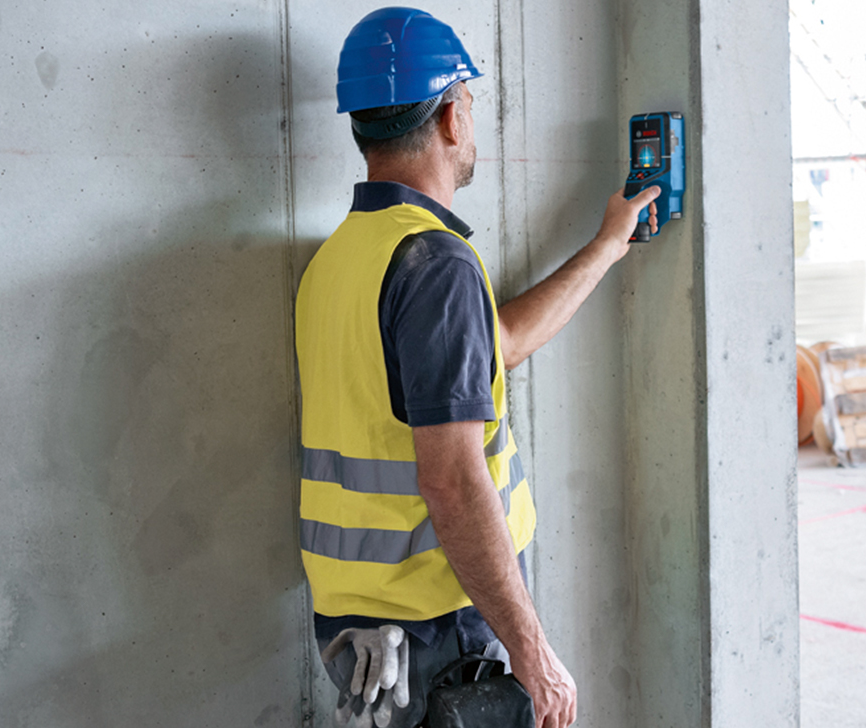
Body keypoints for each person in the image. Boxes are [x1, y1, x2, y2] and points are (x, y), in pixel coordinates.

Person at [295, 7, 659, 728]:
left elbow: (499, 344)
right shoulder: (435, 265)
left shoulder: (340, 260)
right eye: (468, 101)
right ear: (450, 117)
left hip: (362, 633)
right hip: (442, 632)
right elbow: (453, 480)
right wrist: (532, 652)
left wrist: (607, 246)